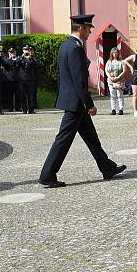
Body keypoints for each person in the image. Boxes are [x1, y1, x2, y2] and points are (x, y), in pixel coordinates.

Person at [39, 14, 126, 188]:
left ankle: (106, 167)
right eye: (88, 29)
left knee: (91, 137)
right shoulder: (75, 48)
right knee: (63, 139)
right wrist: (89, 104)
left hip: (73, 100)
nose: (89, 32)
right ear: (81, 28)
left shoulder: (65, 45)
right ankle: (47, 174)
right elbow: (79, 81)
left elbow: (62, 76)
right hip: (76, 102)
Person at [18, 44, 41, 114]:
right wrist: (22, 57)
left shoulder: (33, 58)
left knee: (31, 95)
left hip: (30, 79)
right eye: (25, 50)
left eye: (27, 50)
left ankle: (31, 109)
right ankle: (24, 109)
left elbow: (38, 65)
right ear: (23, 50)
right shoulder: (20, 57)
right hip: (22, 79)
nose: (26, 51)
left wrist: (30, 58)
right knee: (22, 95)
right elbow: (16, 64)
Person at [105, 47, 126, 115]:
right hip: (111, 81)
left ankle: (121, 109)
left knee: (120, 95)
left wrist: (118, 77)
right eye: (114, 52)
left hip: (120, 81)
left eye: (116, 52)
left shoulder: (121, 61)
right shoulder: (109, 62)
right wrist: (110, 77)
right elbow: (106, 71)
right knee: (112, 95)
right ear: (111, 53)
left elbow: (124, 70)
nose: (115, 54)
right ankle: (113, 109)